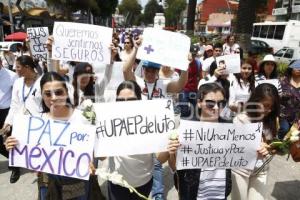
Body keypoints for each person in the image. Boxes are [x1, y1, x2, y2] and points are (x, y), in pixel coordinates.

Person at [5, 72, 92, 199]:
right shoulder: (35, 124)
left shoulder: (82, 118)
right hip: (47, 184)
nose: (53, 97)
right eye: (47, 93)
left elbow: (96, 153)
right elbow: (29, 155)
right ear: (42, 95)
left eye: (59, 92)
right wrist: (13, 146)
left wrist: (91, 161)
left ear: (67, 92)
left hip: (76, 183)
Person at [123, 37, 188, 200]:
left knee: (157, 162)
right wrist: (136, 49)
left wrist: (185, 67)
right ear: (143, 70)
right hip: (140, 130)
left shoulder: (164, 85)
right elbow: (125, 71)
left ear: (158, 71)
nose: (150, 73)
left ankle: (158, 194)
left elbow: (180, 85)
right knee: (145, 163)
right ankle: (140, 190)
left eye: (153, 70)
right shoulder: (137, 83)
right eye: (147, 70)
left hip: (159, 132)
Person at [106, 80, 176, 200]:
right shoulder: (108, 120)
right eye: (120, 100)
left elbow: (160, 158)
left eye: (131, 100)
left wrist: (170, 149)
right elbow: (102, 157)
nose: (126, 104)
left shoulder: (150, 121)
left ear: (139, 100)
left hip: (143, 182)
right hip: (117, 182)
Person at [169, 83, 232, 200]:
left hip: (220, 192)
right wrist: (172, 152)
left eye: (221, 103)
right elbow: (173, 166)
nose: (216, 108)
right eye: (210, 103)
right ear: (199, 102)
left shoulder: (231, 128)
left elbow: (241, 157)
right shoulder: (185, 130)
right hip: (192, 192)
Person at [231, 83, 280, 200]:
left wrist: (273, 147)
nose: (269, 110)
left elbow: (272, 145)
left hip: (261, 169)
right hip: (240, 170)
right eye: (265, 105)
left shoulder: (272, 120)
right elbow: (234, 147)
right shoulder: (241, 119)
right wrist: (254, 146)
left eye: (272, 107)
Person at [0, 56, 18, 183]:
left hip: (5, 113)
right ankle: (15, 159)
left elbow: (16, 97)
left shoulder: (12, 76)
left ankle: (15, 167)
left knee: (9, 140)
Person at [278, 59, 300, 139]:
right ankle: (277, 142)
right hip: (283, 113)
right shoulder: (283, 80)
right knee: (284, 129)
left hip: (297, 115)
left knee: (294, 135)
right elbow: (276, 95)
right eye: (296, 67)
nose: (298, 69)